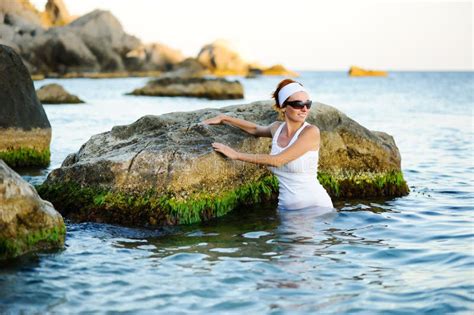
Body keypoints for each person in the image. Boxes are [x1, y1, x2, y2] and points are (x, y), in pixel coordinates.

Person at [202, 79, 333, 210]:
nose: (305, 109)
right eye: (298, 104)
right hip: (287, 210)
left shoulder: (310, 132)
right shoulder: (276, 128)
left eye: (308, 104)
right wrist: (225, 118)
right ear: (283, 106)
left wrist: (236, 155)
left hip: (316, 208)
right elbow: (255, 130)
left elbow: (278, 160)